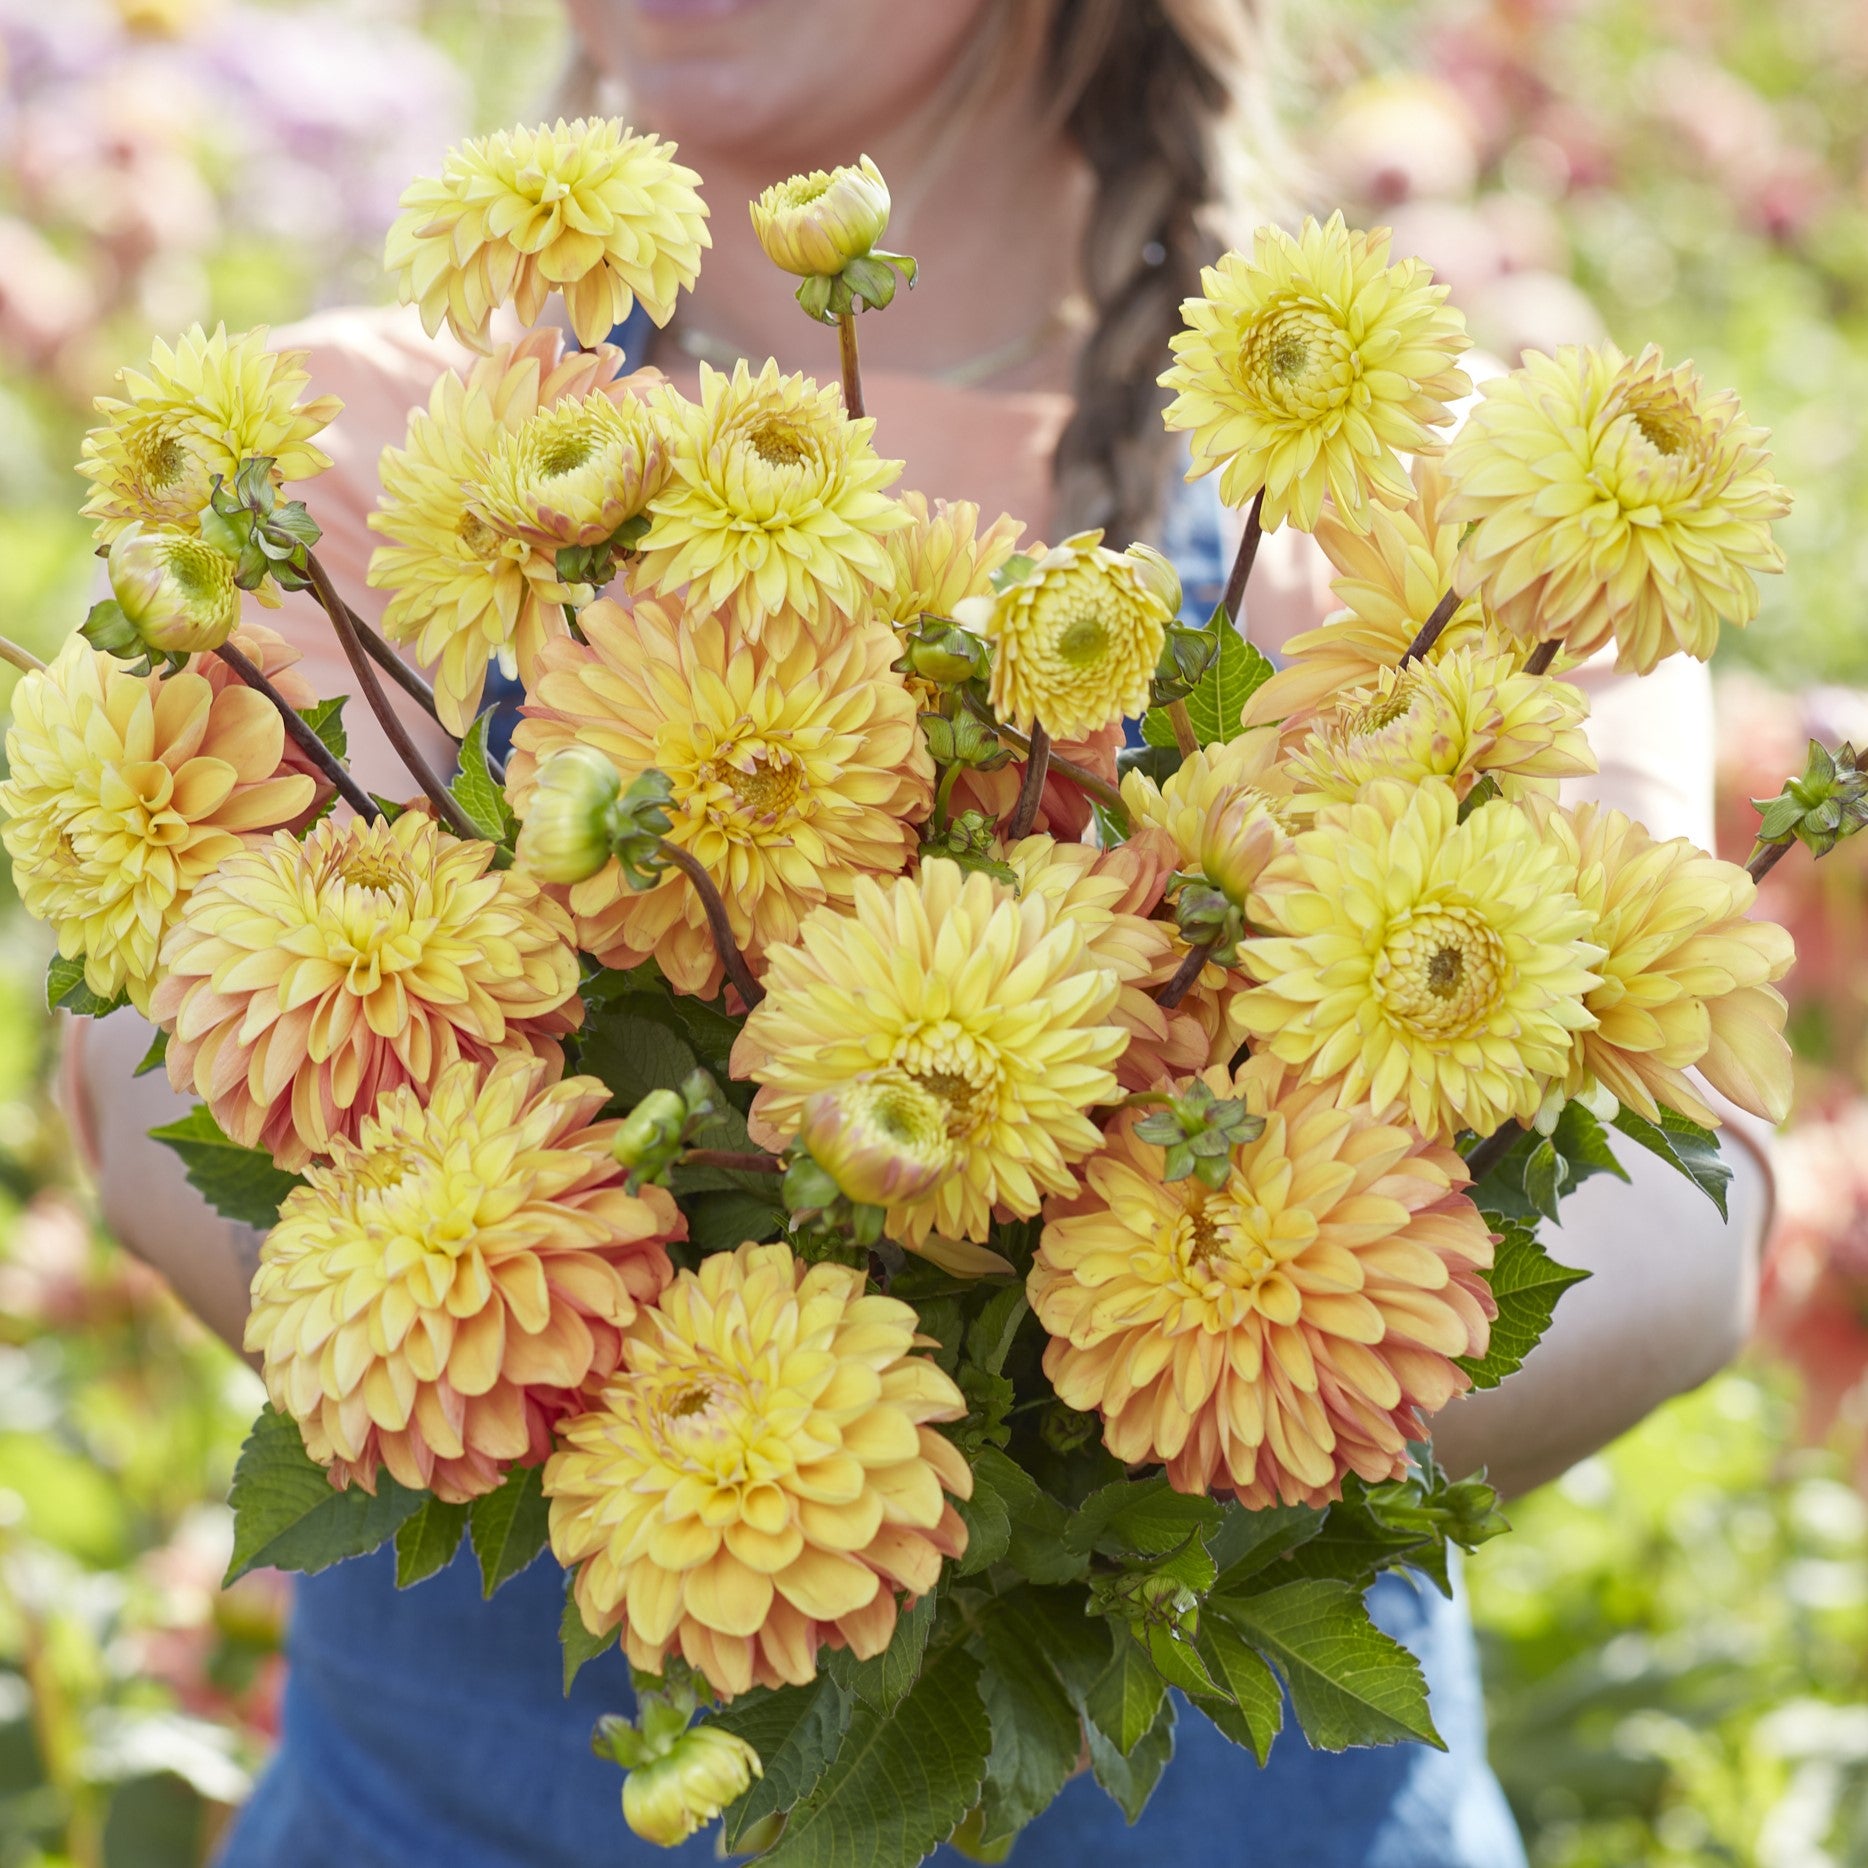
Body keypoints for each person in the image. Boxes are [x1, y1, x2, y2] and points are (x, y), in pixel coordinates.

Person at [63, 2, 1775, 1863]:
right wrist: (727, 1444)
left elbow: (1673, 1215)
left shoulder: (1442, 498)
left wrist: (1156, 1404)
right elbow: (163, 1086)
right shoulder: (357, 463)